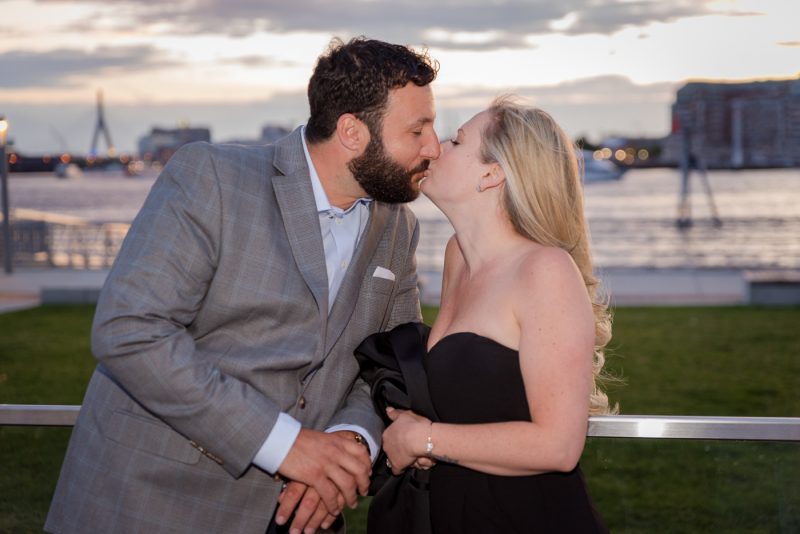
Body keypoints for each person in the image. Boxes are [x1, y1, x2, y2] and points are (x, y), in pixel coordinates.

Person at [45, 37, 440, 534]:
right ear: (351, 132)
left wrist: (348, 447)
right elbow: (130, 330)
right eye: (418, 130)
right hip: (146, 504)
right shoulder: (212, 178)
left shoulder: (399, 227)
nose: (434, 147)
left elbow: (387, 364)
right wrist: (287, 446)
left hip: (293, 517)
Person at [377, 97, 614, 533]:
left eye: (456, 141)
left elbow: (559, 446)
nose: (435, 147)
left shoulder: (544, 270)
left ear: (492, 173)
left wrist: (425, 438)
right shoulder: (458, 257)